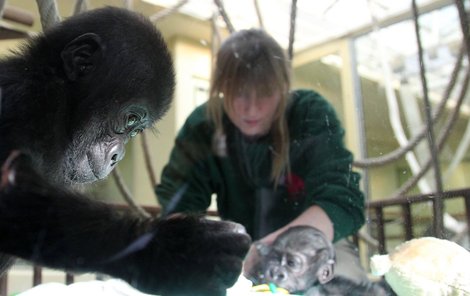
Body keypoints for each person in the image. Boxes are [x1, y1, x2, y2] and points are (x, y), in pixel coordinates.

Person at [155, 29, 367, 284]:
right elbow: (180, 204)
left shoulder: (309, 112)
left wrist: (273, 252)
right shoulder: (205, 124)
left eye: (266, 93)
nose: (252, 108)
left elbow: (342, 201)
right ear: (222, 87)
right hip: (240, 251)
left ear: (283, 89)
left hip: (317, 246)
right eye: (239, 92)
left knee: (347, 282)